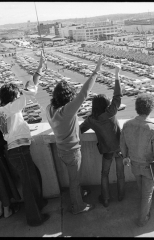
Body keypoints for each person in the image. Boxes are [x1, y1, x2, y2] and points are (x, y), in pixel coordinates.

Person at [0, 52, 49, 227]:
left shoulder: (3, 111)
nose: (18, 96)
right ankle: (34, 218)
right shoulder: (9, 109)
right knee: (29, 184)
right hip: (19, 151)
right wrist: (39, 70)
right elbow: (29, 93)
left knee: (34, 178)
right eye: (16, 95)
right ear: (12, 97)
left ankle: (39, 205)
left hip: (15, 151)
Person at [46, 56, 105, 215]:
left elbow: (54, 125)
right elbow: (84, 93)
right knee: (74, 180)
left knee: (74, 179)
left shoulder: (50, 109)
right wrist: (96, 70)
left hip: (61, 149)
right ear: (68, 97)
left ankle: (77, 194)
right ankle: (78, 206)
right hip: (72, 151)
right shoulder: (66, 111)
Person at [80, 65, 125, 208]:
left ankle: (105, 199)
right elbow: (117, 96)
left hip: (106, 150)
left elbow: (79, 130)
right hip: (119, 147)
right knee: (120, 174)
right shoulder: (110, 112)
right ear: (106, 104)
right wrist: (117, 75)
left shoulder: (91, 119)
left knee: (104, 174)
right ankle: (121, 195)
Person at [120, 93, 154, 227]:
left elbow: (122, 144)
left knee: (141, 189)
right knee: (147, 194)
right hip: (149, 167)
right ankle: (142, 219)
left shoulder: (127, 125)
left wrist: (125, 157)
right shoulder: (153, 128)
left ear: (136, 108)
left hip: (134, 164)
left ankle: (143, 207)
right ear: (151, 108)